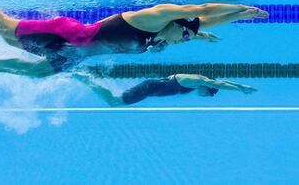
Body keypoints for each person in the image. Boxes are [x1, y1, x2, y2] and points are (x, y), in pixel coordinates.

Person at [0, 0, 268, 77]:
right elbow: (202, 10)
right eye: (186, 35)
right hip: (67, 36)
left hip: (77, 55)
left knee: (33, 73)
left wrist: (222, 26)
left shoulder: (158, 37)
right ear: (177, 23)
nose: (184, 41)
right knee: (2, 27)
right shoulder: (154, 18)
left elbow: (199, 25)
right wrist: (240, 9)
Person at [72, 73, 257, 106]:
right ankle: (86, 79)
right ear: (208, 89)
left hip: (149, 89)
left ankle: (88, 80)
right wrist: (241, 89)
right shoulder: (195, 80)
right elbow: (218, 83)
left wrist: (240, 86)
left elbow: (218, 81)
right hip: (148, 89)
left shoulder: (197, 83)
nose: (204, 96)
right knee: (114, 101)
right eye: (207, 94)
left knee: (115, 99)